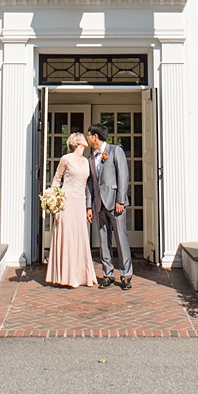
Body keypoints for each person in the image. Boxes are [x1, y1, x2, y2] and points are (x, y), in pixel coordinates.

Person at [86, 123, 133, 289]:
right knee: (103, 239)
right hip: (99, 204)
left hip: (115, 203)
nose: (87, 138)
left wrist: (121, 200)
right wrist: (89, 206)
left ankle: (126, 274)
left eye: (89, 135)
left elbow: (123, 175)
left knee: (121, 239)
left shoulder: (115, 151)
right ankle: (108, 274)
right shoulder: (91, 158)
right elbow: (91, 183)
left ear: (95, 136)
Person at [45, 132, 95, 288]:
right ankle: (65, 276)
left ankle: (80, 275)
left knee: (79, 235)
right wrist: (53, 199)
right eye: (82, 137)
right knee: (66, 234)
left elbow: (88, 186)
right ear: (76, 142)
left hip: (80, 201)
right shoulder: (66, 159)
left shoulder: (87, 161)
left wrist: (88, 206)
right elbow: (56, 179)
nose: (85, 138)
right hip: (66, 201)